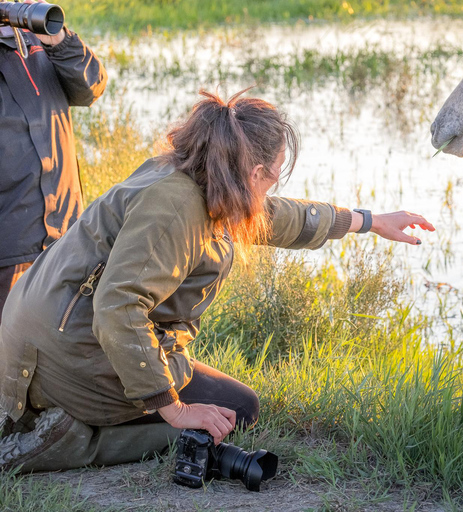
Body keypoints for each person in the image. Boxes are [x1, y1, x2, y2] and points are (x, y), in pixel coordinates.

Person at [0, 88, 434, 472]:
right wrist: (173, 409)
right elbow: (118, 306)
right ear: (253, 173)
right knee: (235, 411)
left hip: (49, 335)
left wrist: (368, 221)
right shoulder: (176, 207)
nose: (271, 189)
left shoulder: (195, 175)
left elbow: (276, 217)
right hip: (65, 356)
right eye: (273, 176)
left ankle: (55, 410)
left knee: (226, 403)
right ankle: (66, 440)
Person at [0, 0, 107, 324]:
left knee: (58, 339)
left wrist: (58, 39)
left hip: (63, 228)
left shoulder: (33, 38)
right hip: (11, 238)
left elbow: (90, 87)